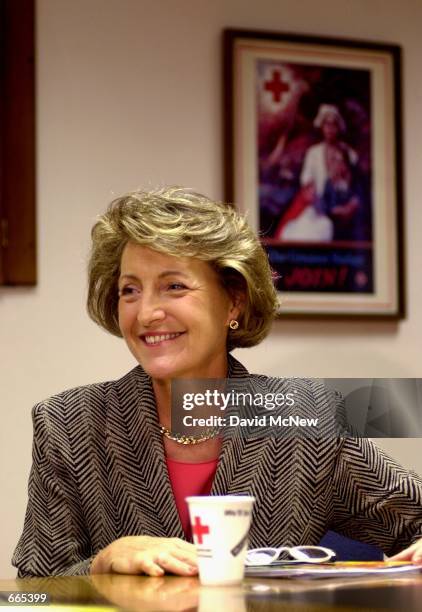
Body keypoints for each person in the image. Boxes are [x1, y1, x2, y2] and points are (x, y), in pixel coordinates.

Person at [13, 187, 422, 577]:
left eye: (174, 286)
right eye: (130, 290)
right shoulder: (68, 423)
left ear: (234, 301)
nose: (147, 313)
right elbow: (32, 594)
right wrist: (103, 564)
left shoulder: (307, 413)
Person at [300, 104, 358, 197]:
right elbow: (306, 180)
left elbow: (355, 184)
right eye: (327, 124)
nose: (330, 129)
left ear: (339, 127)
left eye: (334, 124)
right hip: (318, 203)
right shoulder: (313, 153)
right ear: (322, 127)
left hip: (343, 201)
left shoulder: (349, 153)